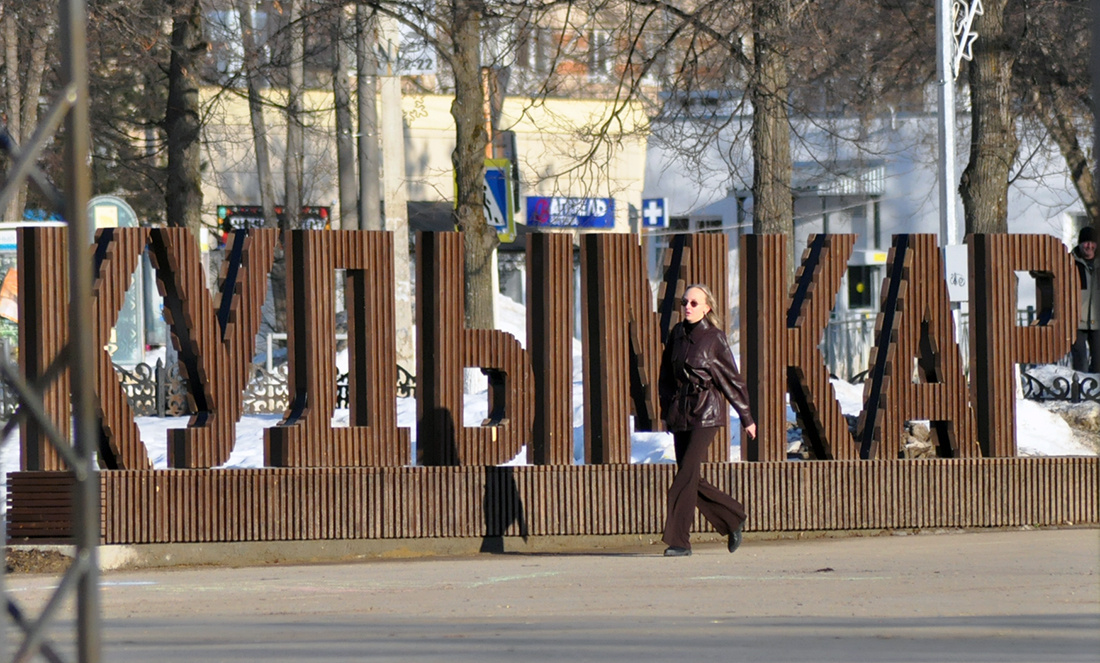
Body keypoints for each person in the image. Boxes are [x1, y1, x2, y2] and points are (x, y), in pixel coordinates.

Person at [658, 283, 757, 557]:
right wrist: (667, 411)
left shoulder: (714, 338)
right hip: (681, 413)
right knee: (690, 478)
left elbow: (732, 381)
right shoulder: (677, 334)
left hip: (706, 414)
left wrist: (746, 417)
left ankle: (679, 541)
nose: (687, 307)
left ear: (706, 307)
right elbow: (666, 377)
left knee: (683, 479)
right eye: (685, 302)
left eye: (693, 303)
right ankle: (733, 517)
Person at [1072, 226, 1100, 373]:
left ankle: (1094, 394)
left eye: (1092, 242)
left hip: (1098, 321)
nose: (1089, 246)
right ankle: (1079, 394)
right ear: (1080, 244)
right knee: (1080, 364)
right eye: (1085, 243)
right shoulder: (1070, 263)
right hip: (1076, 320)